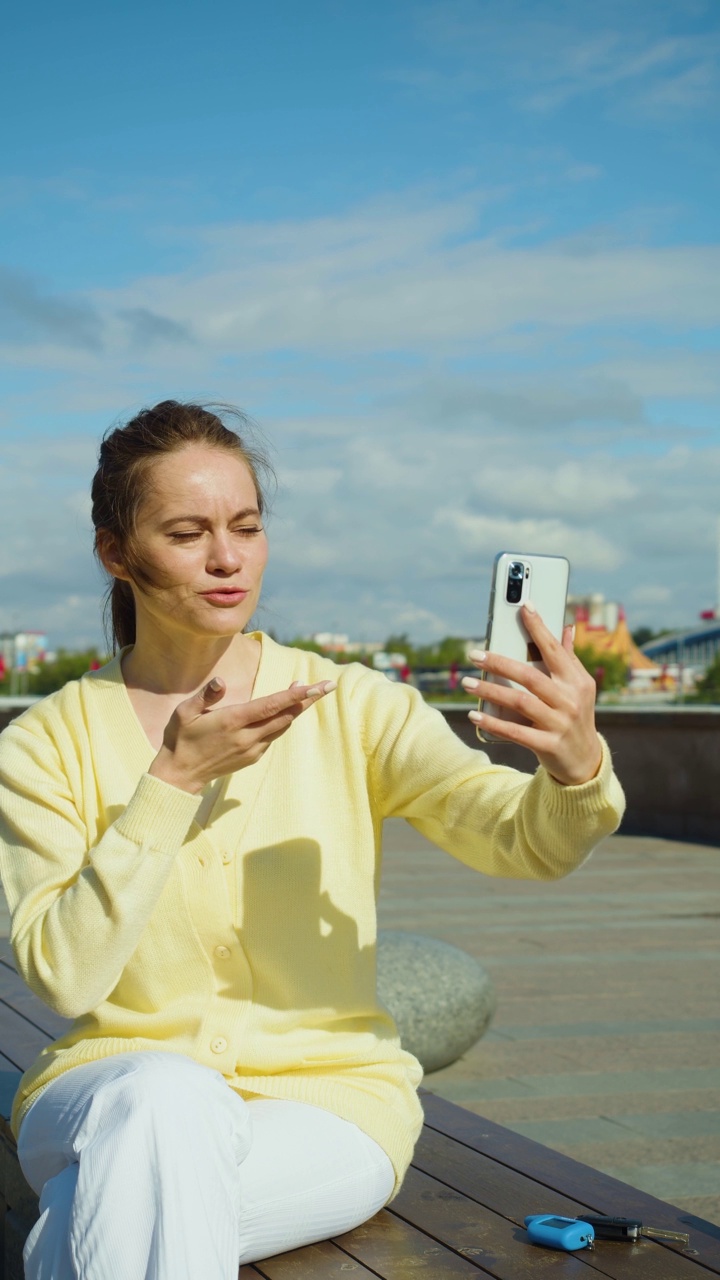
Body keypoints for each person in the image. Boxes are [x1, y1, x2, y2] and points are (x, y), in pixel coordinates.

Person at [0, 400, 625, 1280]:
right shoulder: (43, 744)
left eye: (247, 527)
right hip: (106, 1093)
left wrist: (573, 765)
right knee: (165, 1099)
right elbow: (64, 977)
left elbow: (523, 843)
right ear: (116, 553)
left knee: (93, 1218)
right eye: (188, 533)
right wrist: (169, 786)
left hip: (328, 1107)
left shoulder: (353, 704)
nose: (228, 558)